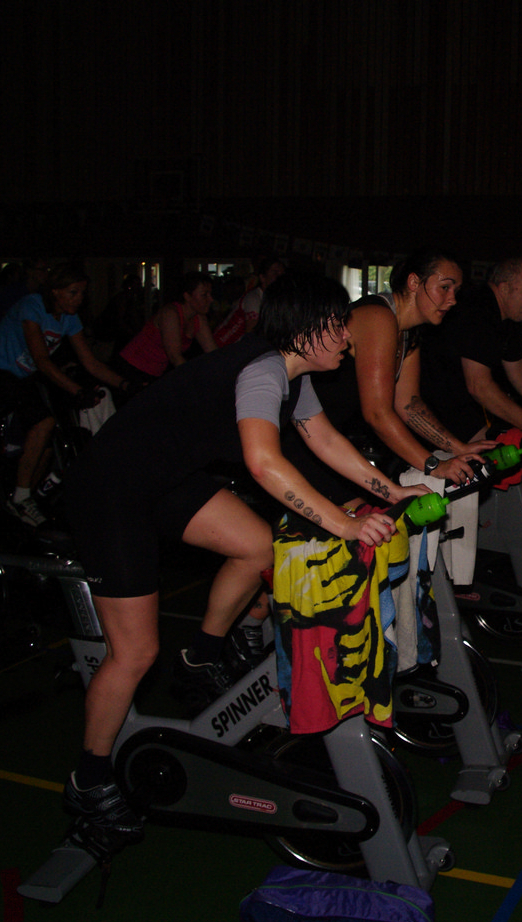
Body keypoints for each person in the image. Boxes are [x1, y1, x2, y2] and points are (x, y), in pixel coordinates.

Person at [57, 271, 423, 845]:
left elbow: (325, 441)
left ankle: (200, 658)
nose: (349, 340)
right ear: (306, 329)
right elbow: (263, 463)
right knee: (134, 653)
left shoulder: (295, 375)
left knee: (257, 546)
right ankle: (89, 779)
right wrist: (345, 522)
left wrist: (392, 491)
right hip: (111, 490)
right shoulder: (262, 370)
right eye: (339, 327)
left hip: (165, 481)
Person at [289, 250, 493, 497]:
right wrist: (434, 465)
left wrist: (458, 447)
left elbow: (408, 404)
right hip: (301, 439)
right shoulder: (379, 317)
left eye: (455, 291)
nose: (452, 300)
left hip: (328, 440)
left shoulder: (407, 331)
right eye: (445, 287)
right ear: (414, 282)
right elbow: (377, 413)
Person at [0, 263, 130, 526]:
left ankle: (21, 496)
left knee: (46, 442)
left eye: (82, 293)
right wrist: (77, 391)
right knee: (43, 422)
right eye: (73, 292)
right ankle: (20, 500)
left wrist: (125, 384)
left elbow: (90, 363)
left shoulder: (69, 317)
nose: (79, 299)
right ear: (55, 291)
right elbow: (42, 360)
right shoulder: (32, 306)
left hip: (20, 375)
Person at [421, 258, 522, 442]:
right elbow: (479, 386)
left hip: (456, 402)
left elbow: (519, 371)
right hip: (432, 405)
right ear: (504, 289)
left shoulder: (507, 317)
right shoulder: (478, 310)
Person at [114, 271, 218, 382]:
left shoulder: (199, 317)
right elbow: (175, 357)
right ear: (187, 296)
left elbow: (213, 353)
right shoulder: (170, 313)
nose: (211, 299)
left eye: (210, 294)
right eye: (204, 295)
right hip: (130, 369)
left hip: (154, 373)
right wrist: (197, 380)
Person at [213, 255, 287, 347]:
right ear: (262, 278)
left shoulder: (276, 300)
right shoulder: (254, 298)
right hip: (222, 347)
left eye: (282, 274)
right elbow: (252, 335)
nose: (280, 277)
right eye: (275, 273)